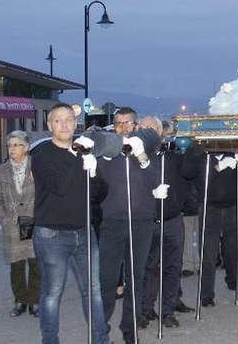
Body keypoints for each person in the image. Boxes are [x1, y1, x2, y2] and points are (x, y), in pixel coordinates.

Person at [31, 103, 118, 344]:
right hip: (52, 234)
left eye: (69, 120)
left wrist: (92, 172)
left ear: (75, 123)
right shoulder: (41, 154)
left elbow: (100, 193)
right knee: (52, 294)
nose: (65, 125)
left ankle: (101, 339)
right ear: (50, 125)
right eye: (58, 120)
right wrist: (76, 157)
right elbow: (59, 186)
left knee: (93, 291)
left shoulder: (84, 152)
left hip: (84, 231)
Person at [95, 108, 166, 343]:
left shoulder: (147, 149)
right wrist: (98, 161)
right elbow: (95, 187)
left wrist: (142, 158)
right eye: (119, 123)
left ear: (136, 125)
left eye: (128, 123)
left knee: (135, 278)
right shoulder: (107, 153)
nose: (124, 127)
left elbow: (156, 184)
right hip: (113, 223)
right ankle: (99, 332)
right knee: (107, 279)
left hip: (141, 222)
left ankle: (130, 330)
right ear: (113, 126)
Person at [138, 117, 199, 328]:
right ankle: (144, 311)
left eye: (153, 129)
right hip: (146, 221)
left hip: (172, 219)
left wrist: (191, 147)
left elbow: (190, 172)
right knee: (147, 268)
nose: (149, 133)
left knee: (173, 267)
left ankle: (168, 311)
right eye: (144, 128)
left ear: (161, 132)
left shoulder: (172, 156)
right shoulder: (133, 157)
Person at [196, 152, 238, 307]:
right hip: (210, 208)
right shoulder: (205, 155)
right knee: (208, 253)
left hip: (232, 207)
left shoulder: (232, 153)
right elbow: (201, 181)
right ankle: (206, 294)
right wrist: (218, 167)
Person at [0, 130, 40, 318]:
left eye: (17, 145)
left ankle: (34, 300)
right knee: (16, 264)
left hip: (32, 220)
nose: (12, 149)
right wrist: (4, 219)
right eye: (10, 145)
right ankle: (20, 299)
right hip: (12, 223)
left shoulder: (36, 167)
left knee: (36, 263)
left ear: (26, 147)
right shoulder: (2, 170)